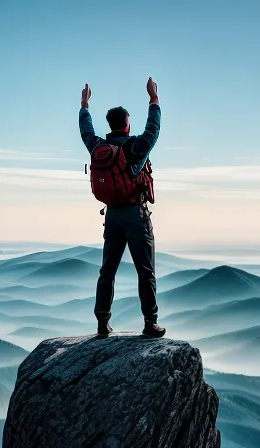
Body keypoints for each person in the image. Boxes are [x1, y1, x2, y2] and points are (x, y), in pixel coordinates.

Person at [79, 78, 166, 339]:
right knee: (145, 270)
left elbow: (85, 130)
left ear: (110, 125)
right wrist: (154, 99)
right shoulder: (135, 146)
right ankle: (150, 323)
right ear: (127, 124)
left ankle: (102, 323)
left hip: (113, 216)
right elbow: (153, 131)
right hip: (135, 215)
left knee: (108, 270)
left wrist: (84, 104)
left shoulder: (98, 147)